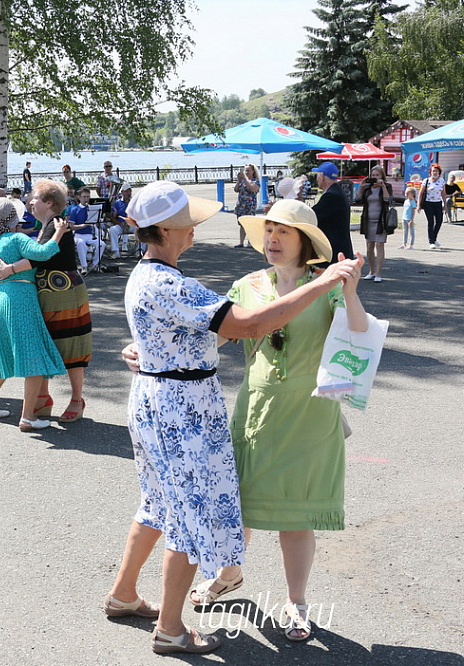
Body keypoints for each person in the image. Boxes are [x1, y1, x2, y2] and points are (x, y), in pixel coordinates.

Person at [106, 184, 363, 655]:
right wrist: (324, 282)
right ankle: (170, 628)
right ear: (166, 229)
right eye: (188, 220)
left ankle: (124, 594)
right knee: (189, 513)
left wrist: (150, 349)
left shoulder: (149, 277)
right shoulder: (173, 282)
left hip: (159, 394)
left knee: (159, 503)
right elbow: (247, 326)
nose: (195, 226)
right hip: (183, 406)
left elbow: (206, 331)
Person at [188, 199, 368, 643]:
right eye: (268, 230)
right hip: (258, 408)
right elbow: (214, 338)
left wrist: (349, 290)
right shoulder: (246, 285)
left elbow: (360, 338)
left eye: (283, 232)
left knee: (296, 515)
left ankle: (296, 601)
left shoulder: (325, 285)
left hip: (311, 412)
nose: (271, 239)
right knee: (241, 503)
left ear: (304, 241)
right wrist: (150, 354)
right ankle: (229, 574)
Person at [0, 179, 91, 423]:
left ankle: (77, 399)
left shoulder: (57, 224)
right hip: (49, 289)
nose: (28, 200)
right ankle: (43, 397)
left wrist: (11, 269)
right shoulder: (48, 225)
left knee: (70, 346)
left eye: (34, 198)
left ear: (48, 202)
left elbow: (42, 258)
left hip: (63, 290)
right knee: (44, 342)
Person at [0, 198, 69, 431]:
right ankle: (27, 417)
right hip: (19, 299)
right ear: (15, 219)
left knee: (6, 355)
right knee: (33, 356)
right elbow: (44, 253)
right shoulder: (18, 239)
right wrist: (58, 233)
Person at [311, 162, 354, 262]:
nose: (316, 179)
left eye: (317, 175)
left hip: (335, 254)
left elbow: (312, 216)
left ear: (322, 176)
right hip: (338, 252)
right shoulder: (336, 192)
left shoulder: (331, 196)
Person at [358, 166, 394, 282]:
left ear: (382, 176)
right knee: (369, 246)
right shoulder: (367, 188)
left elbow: (387, 200)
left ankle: (378, 273)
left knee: (379, 245)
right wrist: (361, 187)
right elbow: (358, 200)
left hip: (381, 221)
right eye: (373, 175)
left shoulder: (387, 186)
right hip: (368, 220)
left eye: (377, 175)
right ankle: (371, 271)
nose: (375, 178)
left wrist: (383, 187)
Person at [69, 187, 106, 273]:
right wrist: (83, 225)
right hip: (79, 235)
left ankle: (94, 264)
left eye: (88, 197)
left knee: (102, 244)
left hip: (90, 235)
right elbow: (72, 226)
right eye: (84, 197)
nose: (86, 199)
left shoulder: (93, 209)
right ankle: (84, 267)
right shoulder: (75, 210)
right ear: (79, 197)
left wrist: (98, 222)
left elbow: (97, 223)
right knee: (80, 243)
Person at [419, 163, 446, 249]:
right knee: (431, 222)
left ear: (439, 172)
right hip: (428, 203)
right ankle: (431, 241)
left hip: (438, 203)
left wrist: (445, 205)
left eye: (436, 171)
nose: (434, 172)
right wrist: (418, 205)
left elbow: (443, 193)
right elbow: (421, 193)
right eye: (433, 171)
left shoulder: (441, 181)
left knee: (439, 221)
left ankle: (434, 238)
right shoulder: (426, 181)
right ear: (430, 172)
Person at [233, 164, 260, 248]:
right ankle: (241, 242)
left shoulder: (255, 181)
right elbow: (236, 189)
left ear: (253, 171)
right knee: (242, 224)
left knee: (250, 224)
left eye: (248, 170)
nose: (246, 172)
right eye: (245, 170)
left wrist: (245, 179)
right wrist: (239, 180)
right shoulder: (242, 181)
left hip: (250, 205)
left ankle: (250, 242)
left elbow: (253, 188)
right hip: (241, 204)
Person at [108, 183, 133, 257]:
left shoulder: (133, 202)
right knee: (112, 230)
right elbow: (113, 217)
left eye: (129, 191)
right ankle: (116, 252)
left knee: (142, 229)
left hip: (131, 225)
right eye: (126, 191)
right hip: (121, 225)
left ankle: (139, 251)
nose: (128, 193)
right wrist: (119, 223)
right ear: (122, 192)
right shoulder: (117, 203)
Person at [400, 185, 417, 249]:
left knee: (411, 232)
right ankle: (404, 243)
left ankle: (411, 244)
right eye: (405, 193)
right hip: (404, 218)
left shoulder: (413, 202)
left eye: (408, 193)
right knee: (405, 231)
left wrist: (412, 220)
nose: (406, 194)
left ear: (412, 194)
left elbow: (413, 211)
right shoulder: (406, 201)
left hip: (409, 219)